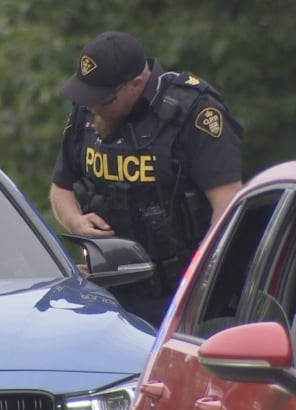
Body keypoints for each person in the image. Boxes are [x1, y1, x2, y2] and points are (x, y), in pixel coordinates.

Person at [49, 31, 243, 327]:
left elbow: (228, 207)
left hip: (184, 297)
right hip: (109, 294)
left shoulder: (194, 113)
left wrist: (202, 284)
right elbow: (60, 189)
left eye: (103, 99)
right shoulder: (86, 111)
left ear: (136, 84)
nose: (92, 107)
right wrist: (76, 221)